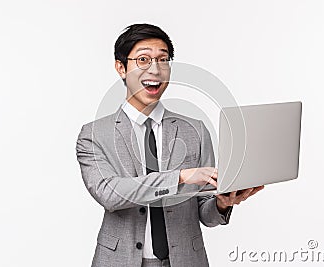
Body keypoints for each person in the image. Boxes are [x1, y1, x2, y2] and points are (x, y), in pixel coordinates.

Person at [76, 23, 264, 267]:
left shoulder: (195, 129)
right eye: (143, 59)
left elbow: (204, 213)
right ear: (121, 68)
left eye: (163, 60)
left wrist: (221, 203)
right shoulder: (94, 134)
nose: (155, 69)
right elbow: (110, 195)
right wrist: (180, 177)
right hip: (118, 260)